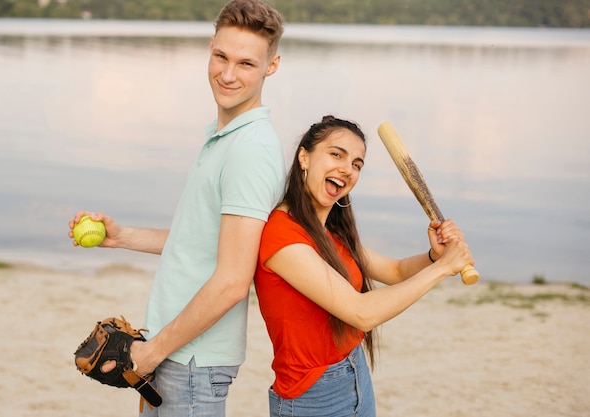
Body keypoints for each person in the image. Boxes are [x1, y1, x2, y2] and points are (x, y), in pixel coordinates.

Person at [68, 1, 286, 416]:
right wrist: (122, 237)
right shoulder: (224, 137)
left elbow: (233, 281)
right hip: (177, 352)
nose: (227, 74)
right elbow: (201, 241)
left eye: (245, 63)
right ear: (210, 47)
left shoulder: (250, 149)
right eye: (221, 56)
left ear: (271, 66)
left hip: (190, 360)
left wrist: (152, 353)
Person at [254, 115, 474, 417]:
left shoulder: (330, 231)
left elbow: (395, 271)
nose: (347, 169)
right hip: (312, 396)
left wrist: (433, 257)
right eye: (336, 155)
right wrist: (443, 269)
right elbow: (362, 313)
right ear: (304, 157)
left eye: (357, 164)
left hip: (355, 374)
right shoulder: (282, 234)